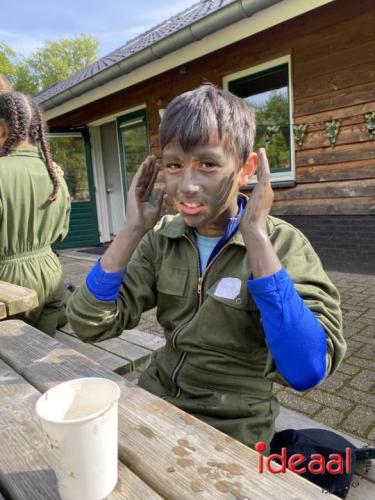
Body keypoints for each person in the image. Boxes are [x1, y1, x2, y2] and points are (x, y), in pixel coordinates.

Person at [67, 84, 345, 452]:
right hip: (154, 400)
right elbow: (87, 325)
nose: (187, 185)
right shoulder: (160, 239)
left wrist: (257, 240)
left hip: (232, 430)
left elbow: (306, 370)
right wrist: (132, 229)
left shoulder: (284, 246)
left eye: (208, 165)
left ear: (247, 170)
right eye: (174, 166)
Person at [0, 87, 71, 335]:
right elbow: (61, 234)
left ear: (1, 130)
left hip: (7, 287)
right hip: (51, 278)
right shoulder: (56, 175)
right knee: (43, 350)